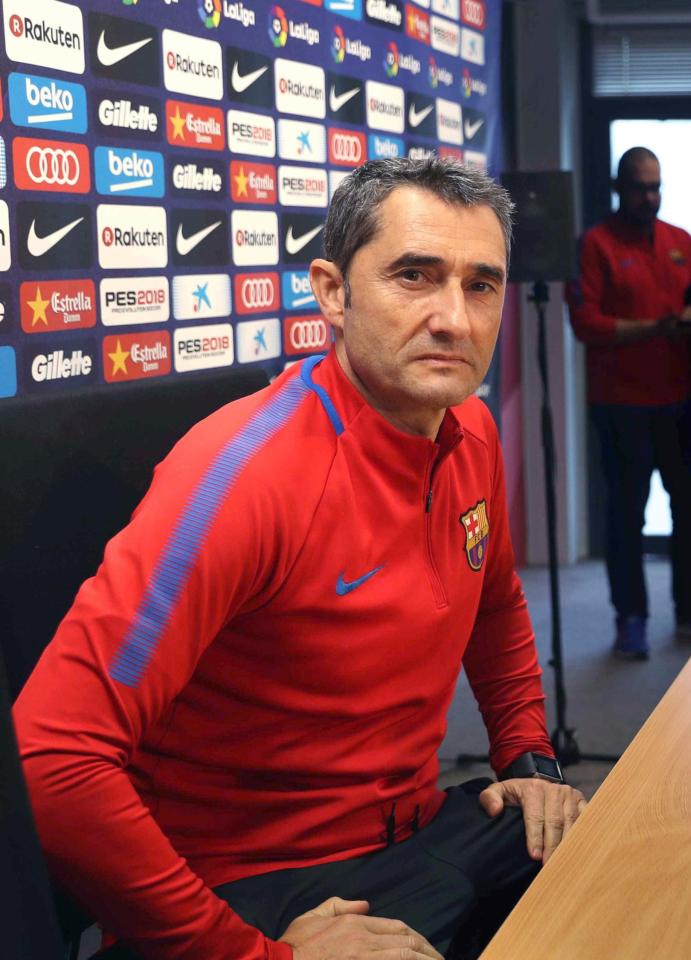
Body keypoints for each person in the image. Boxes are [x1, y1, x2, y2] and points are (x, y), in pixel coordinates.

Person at [13, 158, 586, 960]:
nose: (454, 318)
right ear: (332, 292)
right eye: (414, 277)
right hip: (249, 886)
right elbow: (52, 754)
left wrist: (527, 756)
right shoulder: (245, 479)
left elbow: (494, 607)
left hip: (411, 842)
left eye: (480, 284)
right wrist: (251, 955)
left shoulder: (471, 432)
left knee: (604, 860)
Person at [570, 146, 691, 661]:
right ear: (619, 188)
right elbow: (587, 325)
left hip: (681, 403)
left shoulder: (680, 241)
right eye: (639, 187)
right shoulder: (595, 245)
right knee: (626, 517)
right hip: (620, 405)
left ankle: (688, 606)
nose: (649, 197)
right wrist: (653, 329)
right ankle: (630, 617)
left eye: (656, 187)